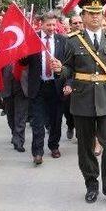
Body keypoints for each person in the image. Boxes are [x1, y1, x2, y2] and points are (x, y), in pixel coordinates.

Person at [53, 0, 106, 206]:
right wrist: (60, 69)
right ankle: (91, 184)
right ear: (83, 16)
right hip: (82, 98)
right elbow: (68, 68)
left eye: (98, 13)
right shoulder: (72, 40)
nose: (95, 17)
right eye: (90, 13)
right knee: (85, 146)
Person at [21, 12, 67, 164]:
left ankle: (54, 146)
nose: (52, 28)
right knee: (38, 122)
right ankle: (37, 152)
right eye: (49, 25)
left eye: (54, 25)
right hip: (38, 86)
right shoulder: (33, 40)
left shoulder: (62, 41)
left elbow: (68, 65)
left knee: (55, 120)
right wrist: (23, 51)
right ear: (41, 24)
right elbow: (23, 63)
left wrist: (65, 77)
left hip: (56, 86)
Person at [63, 15, 84, 140]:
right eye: (75, 23)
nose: (78, 25)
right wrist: (67, 83)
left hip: (83, 80)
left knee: (82, 109)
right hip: (68, 79)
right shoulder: (66, 40)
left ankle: (80, 132)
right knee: (68, 109)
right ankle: (70, 125)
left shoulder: (88, 38)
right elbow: (66, 65)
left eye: (80, 22)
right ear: (70, 25)